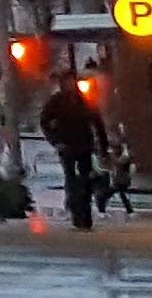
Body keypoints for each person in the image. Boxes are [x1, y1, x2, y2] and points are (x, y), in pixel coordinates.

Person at [38, 73, 107, 231]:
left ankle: (85, 214)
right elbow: (45, 122)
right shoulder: (56, 102)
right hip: (67, 146)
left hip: (84, 145)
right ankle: (75, 211)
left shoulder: (84, 101)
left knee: (86, 179)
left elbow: (97, 123)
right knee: (71, 178)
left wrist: (103, 147)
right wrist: (55, 141)